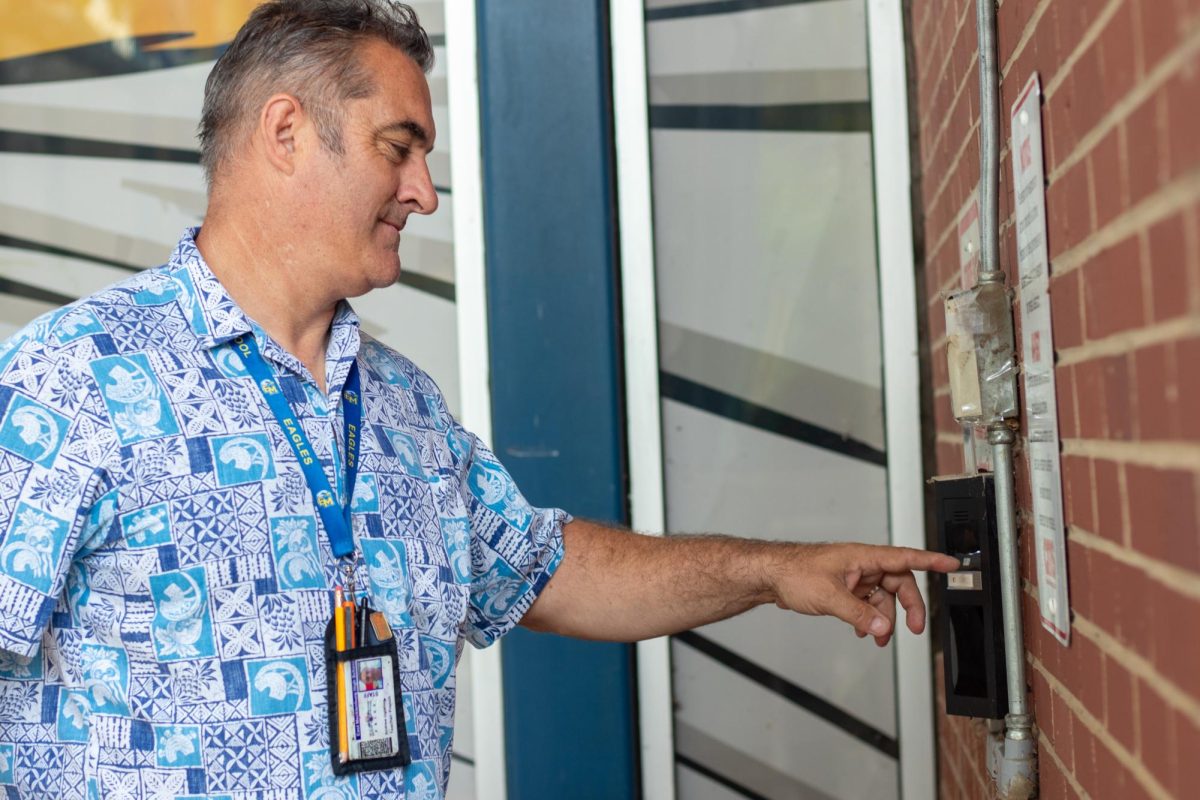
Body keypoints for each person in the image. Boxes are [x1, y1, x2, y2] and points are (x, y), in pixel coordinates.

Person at [0, 1, 958, 798]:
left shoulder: (405, 407)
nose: (424, 191)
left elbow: (547, 569)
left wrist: (774, 573)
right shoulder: (72, 378)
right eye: (399, 146)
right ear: (286, 132)